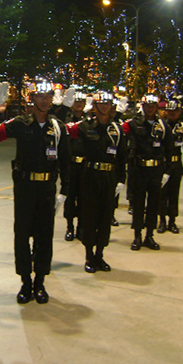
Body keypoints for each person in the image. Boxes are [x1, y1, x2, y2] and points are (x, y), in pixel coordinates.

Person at [0, 79, 70, 304]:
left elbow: (66, 160)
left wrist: (65, 190)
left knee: (44, 236)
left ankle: (40, 281)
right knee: (22, 235)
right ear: (31, 99)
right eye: (39, 96)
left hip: (47, 188)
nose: (44, 100)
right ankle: (25, 281)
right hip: (24, 188)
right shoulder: (20, 123)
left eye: (47, 96)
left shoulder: (58, 127)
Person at [67, 90, 127, 272]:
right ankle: (89, 256)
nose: (105, 107)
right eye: (101, 104)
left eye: (107, 104)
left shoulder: (117, 129)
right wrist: (61, 108)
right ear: (94, 106)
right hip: (90, 175)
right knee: (89, 216)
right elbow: (62, 129)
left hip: (109, 177)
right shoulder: (85, 126)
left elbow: (122, 156)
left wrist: (121, 179)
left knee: (105, 216)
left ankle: (100, 254)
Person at [127, 94, 171, 251]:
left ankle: (150, 235)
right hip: (139, 169)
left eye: (153, 106)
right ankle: (137, 235)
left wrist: (167, 171)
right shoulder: (134, 124)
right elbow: (130, 147)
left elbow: (169, 149)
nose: (150, 109)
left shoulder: (163, 126)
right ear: (143, 106)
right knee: (138, 204)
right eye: (148, 106)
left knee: (154, 204)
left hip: (156, 170)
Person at [54, 88, 87, 241]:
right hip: (70, 164)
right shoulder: (65, 119)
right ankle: (69, 227)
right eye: (76, 101)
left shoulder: (89, 121)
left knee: (84, 198)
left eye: (81, 101)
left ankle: (81, 227)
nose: (78, 104)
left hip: (85, 165)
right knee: (69, 196)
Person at [158, 99, 183, 234]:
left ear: (180, 112)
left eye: (175, 111)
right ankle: (162, 220)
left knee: (174, 193)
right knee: (162, 194)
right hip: (163, 163)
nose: (172, 113)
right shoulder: (161, 126)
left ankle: (172, 221)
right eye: (170, 111)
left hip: (176, 163)